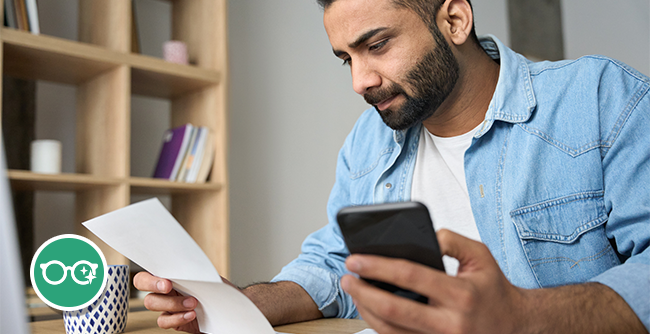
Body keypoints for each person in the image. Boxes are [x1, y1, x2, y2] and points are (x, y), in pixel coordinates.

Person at [134, 0, 650, 332]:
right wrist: (242, 304)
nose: (359, 80)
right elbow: (338, 264)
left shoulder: (601, 98)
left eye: (376, 45)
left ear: (454, 20)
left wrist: (519, 318)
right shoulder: (369, 140)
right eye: (346, 59)